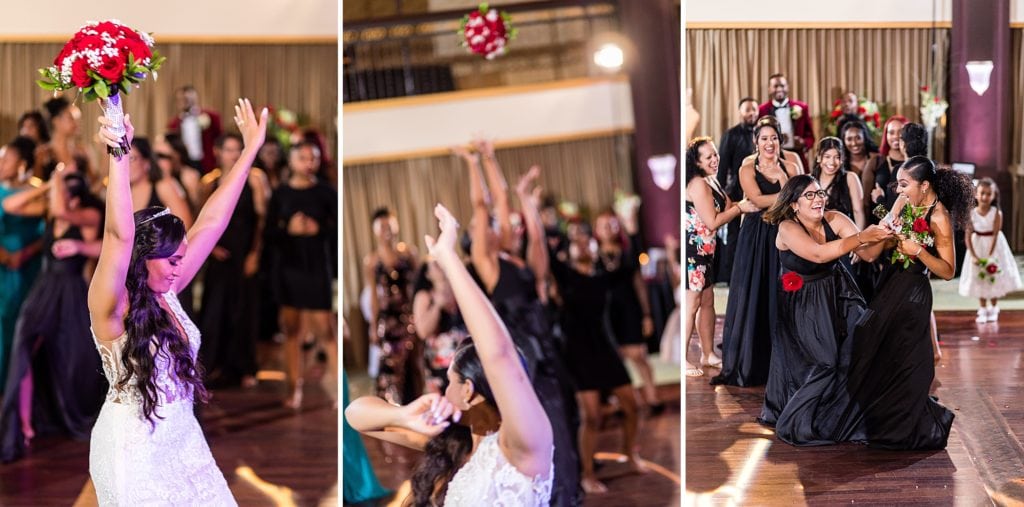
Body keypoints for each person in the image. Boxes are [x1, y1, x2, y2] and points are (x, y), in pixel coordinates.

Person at [87, 98, 267, 504]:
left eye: (181, 259)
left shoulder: (165, 288)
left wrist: (250, 148)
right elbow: (117, 236)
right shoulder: (113, 305)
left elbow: (212, 221)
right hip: (133, 452)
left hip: (185, 442)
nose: (178, 269)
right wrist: (119, 154)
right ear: (143, 258)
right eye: (171, 260)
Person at [346, 204, 554, 507]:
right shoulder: (456, 441)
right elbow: (355, 415)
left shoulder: (525, 444)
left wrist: (448, 256)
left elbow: (500, 357)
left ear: (468, 390)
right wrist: (404, 415)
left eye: (450, 381)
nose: (444, 391)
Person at [841, 156, 971, 450]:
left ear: (924, 186)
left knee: (908, 358)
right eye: (898, 184)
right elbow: (874, 251)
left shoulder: (939, 217)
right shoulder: (903, 203)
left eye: (904, 184)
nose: (898, 190)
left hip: (914, 290)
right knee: (871, 343)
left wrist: (919, 252)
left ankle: (906, 424)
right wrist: (884, 232)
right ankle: (875, 416)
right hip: (889, 282)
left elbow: (948, 271)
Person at [757, 175, 890, 444]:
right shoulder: (786, 228)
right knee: (826, 361)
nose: (818, 199)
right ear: (794, 204)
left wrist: (888, 231)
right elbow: (818, 254)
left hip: (838, 291)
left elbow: (868, 254)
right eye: (810, 195)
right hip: (802, 301)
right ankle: (796, 420)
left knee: (863, 338)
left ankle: (843, 414)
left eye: (820, 193)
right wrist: (863, 236)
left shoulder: (835, 218)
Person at [0, 168, 105, 462]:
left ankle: (69, 412)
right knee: (24, 350)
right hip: (44, 288)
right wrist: (48, 182)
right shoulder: (50, 211)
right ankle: (23, 423)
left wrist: (58, 175)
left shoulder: (88, 215)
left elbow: (94, 240)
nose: (64, 198)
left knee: (72, 358)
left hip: (71, 292)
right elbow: (9, 205)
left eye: (68, 191)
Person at [712, 117, 799, 387]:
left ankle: (783, 361)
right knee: (755, 291)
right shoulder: (747, 167)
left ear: (780, 140)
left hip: (785, 232)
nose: (769, 143)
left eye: (773, 138)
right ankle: (752, 360)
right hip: (757, 235)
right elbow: (757, 200)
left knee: (782, 292)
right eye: (764, 139)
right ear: (756, 142)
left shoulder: (792, 165)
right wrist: (788, 192)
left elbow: (802, 194)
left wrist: (786, 180)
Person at [266, 140, 338, 408]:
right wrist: (290, 230)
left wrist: (317, 229)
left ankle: (337, 390)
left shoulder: (327, 193)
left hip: (317, 266)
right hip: (289, 267)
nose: (309, 163)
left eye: (313, 158)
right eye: (303, 158)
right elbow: (270, 234)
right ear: (292, 161)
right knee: (292, 329)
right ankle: (292, 389)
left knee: (326, 330)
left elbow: (336, 231)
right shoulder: (281, 193)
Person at [684, 137, 757, 374]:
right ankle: (683, 359)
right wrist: (740, 208)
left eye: (715, 154)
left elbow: (727, 207)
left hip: (707, 249)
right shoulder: (696, 183)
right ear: (696, 161)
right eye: (709, 157)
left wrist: (748, 203)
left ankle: (708, 354)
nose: (715, 159)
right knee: (691, 303)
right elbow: (713, 221)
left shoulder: (711, 180)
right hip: (692, 251)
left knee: (707, 301)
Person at [0, 137, 45, 394]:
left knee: (26, 328)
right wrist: (4, 255)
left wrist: (27, 252)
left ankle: (23, 393)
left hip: (30, 268)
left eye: (7, 159)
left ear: (22, 164)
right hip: (4, 269)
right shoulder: (1, 191)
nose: (1, 164)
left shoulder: (37, 190)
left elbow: (47, 229)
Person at [959, 178, 1021, 323]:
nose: (985, 197)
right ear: (976, 194)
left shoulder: (996, 213)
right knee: (979, 276)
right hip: (977, 245)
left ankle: (993, 307)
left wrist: (991, 254)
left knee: (993, 275)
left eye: (989, 194)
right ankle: (982, 308)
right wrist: (974, 255)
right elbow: (967, 236)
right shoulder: (971, 213)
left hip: (994, 246)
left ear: (993, 196)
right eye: (982, 193)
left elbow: (995, 234)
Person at [716, 98, 759, 282]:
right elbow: (722, 167)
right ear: (740, 112)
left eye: (754, 109)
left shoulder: (763, 133)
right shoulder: (731, 135)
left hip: (761, 189)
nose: (751, 113)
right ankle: (734, 276)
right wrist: (721, 195)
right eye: (747, 110)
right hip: (736, 192)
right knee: (735, 235)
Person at [759, 73, 814, 169]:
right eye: (775, 86)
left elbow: (811, 137)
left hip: (797, 157)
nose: (779, 89)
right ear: (769, 89)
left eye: (782, 86)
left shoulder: (802, 107)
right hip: (771, 159)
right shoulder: (762, 110)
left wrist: (803, 142)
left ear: (787, 87)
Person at [167, 85, 223, 172]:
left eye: (188, 99)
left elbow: (220, 138)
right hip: (185, 164)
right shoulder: (174, 123)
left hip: (207, 162)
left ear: (195, 98)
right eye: (182, 99)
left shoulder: (210, 116)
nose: (185, 102)